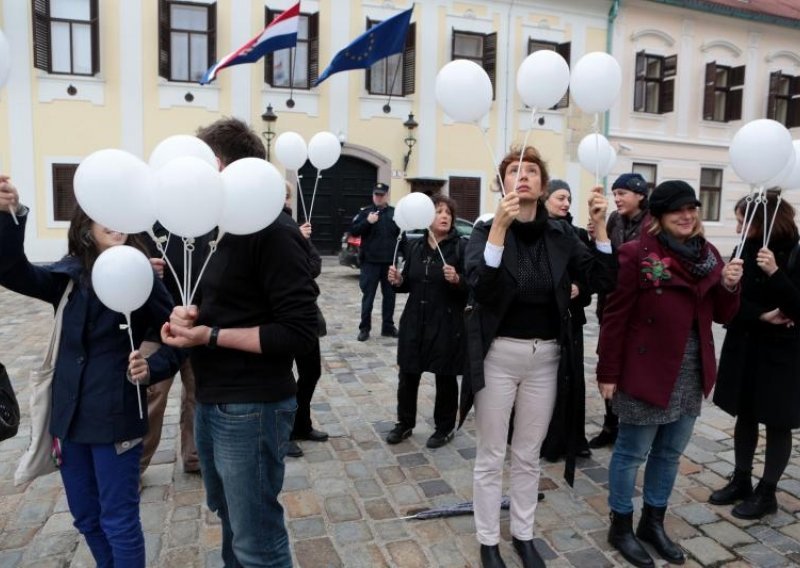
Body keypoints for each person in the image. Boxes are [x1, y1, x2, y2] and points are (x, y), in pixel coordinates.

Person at [160, 118, 318, 567]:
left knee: (256, 541)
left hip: (253, 406)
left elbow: (300, 333)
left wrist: (209, 335)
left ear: (218, 164)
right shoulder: (216, 227)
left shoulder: (274, 231)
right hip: (213, 399)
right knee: (230, 521)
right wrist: (186, 318)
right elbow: (224, 305)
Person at [0, 177, 182, 567]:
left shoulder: (141, 275)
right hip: (68, 420)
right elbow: (11, 270)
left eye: (121, 218)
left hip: (116, 418)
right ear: (86, 228)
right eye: (106, 217)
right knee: (85, 517)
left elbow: (175, 338)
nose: (117, 224)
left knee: (119, 520)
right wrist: (8, 216)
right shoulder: (67, 277)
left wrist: (151, 367)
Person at [464, 146, 617, 568]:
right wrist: (498, 228)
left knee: (528, 453)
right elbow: (481, 287)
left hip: (546, 357)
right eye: (515, 171)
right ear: (503, 184)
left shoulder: (562, 234)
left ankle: (524, 534)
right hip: (498, 355)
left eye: (532, 170)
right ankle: (488, 540)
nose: (524, 176)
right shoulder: (484, 229)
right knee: (492, 453)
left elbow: (603, 279)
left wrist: (600, 228)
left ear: (543, 185)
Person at [596, 180, 743, 568]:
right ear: (659, 216)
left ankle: (653, 523)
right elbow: (614, 318)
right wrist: (607, 371)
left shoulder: (708, 255)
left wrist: (730, 286)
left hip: (691, 371)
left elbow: (724, 315)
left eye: (692, 208)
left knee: (670, 453)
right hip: (646, 371)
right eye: (678, 209)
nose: (687, 215)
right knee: (630, 453)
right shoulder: (635, 254)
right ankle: (621, 525)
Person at [710, 191, 800, 519]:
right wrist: (730, 286)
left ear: (763, 223)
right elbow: (731, 306)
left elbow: (796, 307)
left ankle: (768, 492)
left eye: (742, 221)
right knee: (745, 414)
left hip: (781, 355)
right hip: (747, 346)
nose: (737, 228)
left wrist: (776, 273)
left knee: (778, 422)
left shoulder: (795, 251)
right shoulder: (743, 250)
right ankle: (742, 479)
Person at [385, 194, 467, 449]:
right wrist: (399, 281)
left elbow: (473, 287)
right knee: (408, 373)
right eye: (439, 211)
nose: (444, 216)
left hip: (446, 322)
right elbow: (410, 282)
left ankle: (444, 427)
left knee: (445, 376)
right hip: (414, 321)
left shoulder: (460, 247)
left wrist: (457, 280)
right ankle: (405, 423)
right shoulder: (416, 247)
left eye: (448, 213)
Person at [139, 222, 208, 475]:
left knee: (197, 396)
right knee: (151, 397)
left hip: (198, 325)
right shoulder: (148, 226)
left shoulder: (210, 222)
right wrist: (142, 268)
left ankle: (195, 457)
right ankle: (135, 467)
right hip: (155, 326)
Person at [589, 172, 651, 450]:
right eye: (614, 194)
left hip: (637, 308)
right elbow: (605, 255)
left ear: (640, 195)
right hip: (609, 303)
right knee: (608, 362)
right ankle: (610, 425)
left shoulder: (653, 224)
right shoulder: (613, 219)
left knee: (633, 368)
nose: (617, 199)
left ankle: (631, 426)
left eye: (622, 193)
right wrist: (596, 234)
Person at [540, 179, 593, 461]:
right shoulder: (534, 233)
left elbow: (589, 278)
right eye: (560, 198)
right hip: (543, 319)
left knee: (572, 380)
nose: (566, 204)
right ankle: (548, 439)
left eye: (569, 199)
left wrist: (579, 288)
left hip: (570, 319)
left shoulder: (578, 235)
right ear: (545, 198)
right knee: (546, 381)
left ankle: (574, 438)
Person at [284, 183, 329, 459]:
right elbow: (286, 268)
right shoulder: (272, 227)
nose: (287, 199)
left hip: (306, 312)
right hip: (282, 313)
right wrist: (298, 241)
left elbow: (315, 265)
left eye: (288, 194)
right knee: (284, 376)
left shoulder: (293, 226)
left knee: (311, 371)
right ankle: (284, 432)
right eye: (283, 194)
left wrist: (300, 241)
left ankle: (302, 425)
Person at [350, 182, 400, 341]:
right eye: (376, 194)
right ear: (373, 195)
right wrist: (368, 222)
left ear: (387, 196)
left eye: (381, 195)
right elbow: (353, 231)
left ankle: (388, 326)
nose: (378, 197)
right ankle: (364, 328)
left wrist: (403, 255)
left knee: (390, 297)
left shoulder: (395, 213)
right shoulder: (365, 212)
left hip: (389, 263)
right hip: (370, 262)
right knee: (368, 297)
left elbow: (402, 236)